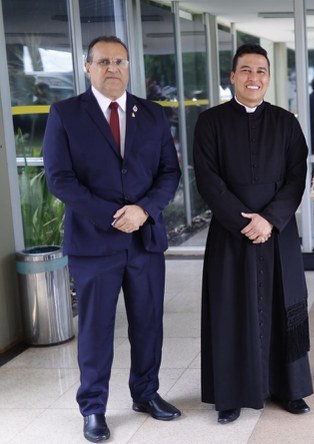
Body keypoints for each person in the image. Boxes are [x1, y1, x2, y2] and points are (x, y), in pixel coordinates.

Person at [43, 35, 181, 443]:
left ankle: (146, 394)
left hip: (145, 239)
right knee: (96, 330)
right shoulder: (66, 113)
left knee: (147, 324)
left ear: (129, 66)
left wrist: (144, 210)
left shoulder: (152, 114)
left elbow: (168, 173)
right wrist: (110, 215)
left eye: (119, 61)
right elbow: (59, 179)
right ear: (88, 68)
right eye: (103, 62)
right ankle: (93, 408)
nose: (113, 68)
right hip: (93, 243)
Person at [193, 44, 313, 424]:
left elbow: (298, 177)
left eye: (261, 71)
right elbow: (208, 181)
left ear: (268, 77)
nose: (254, 78)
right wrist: (244, 221)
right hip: (231, 235)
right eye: (245, 70)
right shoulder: (210, 123)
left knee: (284, 306)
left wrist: (270, 220)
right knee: (231, 312)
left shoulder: (286, 122)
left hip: (277, 233)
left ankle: (290, 390)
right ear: (232, 77)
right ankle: (230, 395)